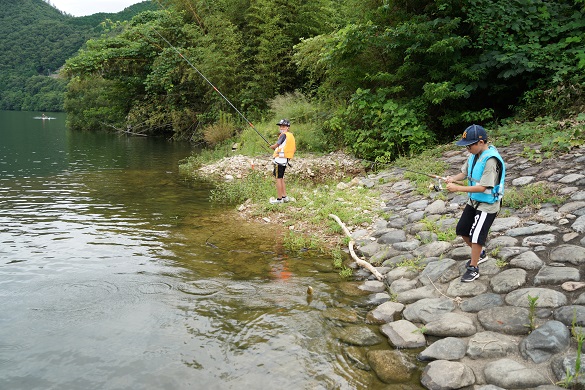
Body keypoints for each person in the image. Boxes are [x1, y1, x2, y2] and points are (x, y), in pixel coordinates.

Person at [445, 124, 506, 283]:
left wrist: (458, 189)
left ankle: (473, 268)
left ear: (480, 142)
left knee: (477, 236)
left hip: (488, 205)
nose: (467, 149)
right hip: (474, 201)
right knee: (462, 229)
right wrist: (453, 179)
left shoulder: (490, 161)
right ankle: (480, 254)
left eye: (469, 145)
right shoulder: (473, 155)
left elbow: (483, 187)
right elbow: (464, 173)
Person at [269, 119, 296, 204]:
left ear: (288, 127)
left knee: (278, 179)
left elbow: (277, 145)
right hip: (285, 160)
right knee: (281, 178)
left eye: (283, 126)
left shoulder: (283, 135)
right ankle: (284, 197)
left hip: (279, 160)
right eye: (280, 126)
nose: (281, 127)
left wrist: (272, 147)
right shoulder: (290, 136)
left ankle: (279, 199)